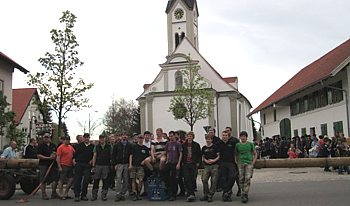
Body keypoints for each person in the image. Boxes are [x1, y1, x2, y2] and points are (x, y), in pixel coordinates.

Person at [216, 130, 238, 202]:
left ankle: (226, 191)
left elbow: (237, 152)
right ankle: (227, 194)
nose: (224, 137)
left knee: (232, 176)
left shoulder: (233, 143)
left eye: (226, 135)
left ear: (228, 136)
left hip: (231, 163)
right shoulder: (218, 144)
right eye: (223, 135)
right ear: (221, 136)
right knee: (223, 179)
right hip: (222, 163)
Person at [235, 131, 257, 203]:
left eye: (244, 136)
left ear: (246, 137)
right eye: (242, 136)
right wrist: (237, 162)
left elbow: (255, 154)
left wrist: (253, 162)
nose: (243, 138)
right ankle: (243, 191)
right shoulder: (237, 145)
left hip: (249, 163)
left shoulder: (250, 144)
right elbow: (236, 154)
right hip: (240, 163)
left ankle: (245, 194)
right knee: (241, 179)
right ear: (240, 137)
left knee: (247, 178)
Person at [73, 133, 94, 202]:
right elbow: (74, 155)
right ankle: (77, 195)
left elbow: (93, 155)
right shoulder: (79, 146)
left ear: (89, 138)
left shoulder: (92, 146)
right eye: (85, 137)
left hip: (87, 165)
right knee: (77, 180)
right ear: (84, 138)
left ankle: (84, 195)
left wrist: (92, 161)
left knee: (86, 180)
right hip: (79, 164)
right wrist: (74, 161)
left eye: (87, 137)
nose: (86, 138)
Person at [37, 133, 59, 200]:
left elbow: (56, 153)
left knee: (55, 179)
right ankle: (44, 194)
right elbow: (38, 156)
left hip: (53, 164)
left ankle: (54, 193)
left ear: (50, 138)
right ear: (43, 138)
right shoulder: (41, 146)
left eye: (48, 137)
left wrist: (54, 155)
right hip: (44, 164)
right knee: (43, 179)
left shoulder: (53, 145)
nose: (46, 138)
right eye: (45, 137)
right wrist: (48, 158)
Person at [129, 134, 151, 201]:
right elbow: (131, 156)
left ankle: (138, 193)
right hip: (133, 165)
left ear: (143, 139)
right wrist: (130, 165)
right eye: (139, 138)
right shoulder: (133, 146)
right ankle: (135, 194)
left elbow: (148, 157)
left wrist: (144, 161)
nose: (140, 139)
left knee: (140, 180)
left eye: (142, 138)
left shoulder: (145, 148)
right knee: (133, 180)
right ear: (137, 139)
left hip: (141, 166)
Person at [112, 132, 132, 202]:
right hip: (119, 164)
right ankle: (118, 194)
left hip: (126, 164)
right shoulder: (116, 145)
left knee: (126, 180)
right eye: (123, 135)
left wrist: (130, 164)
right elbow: (113, 155)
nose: (124, 136)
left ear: (127, 136)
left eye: (125, 135)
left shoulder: (130, 145)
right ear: (121, 137)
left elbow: (131, 155)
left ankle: (123, 194)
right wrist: (115, 164)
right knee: (118, 180)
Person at [182, 131, 201, 202]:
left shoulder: (196, 145)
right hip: (186, 164)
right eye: (188, 136)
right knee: (187, 178)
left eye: (191, 136)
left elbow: (199, 154)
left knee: (193, 178)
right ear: (186, 137)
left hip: (193, 163)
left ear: (193, 137)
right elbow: (181, 154)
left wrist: (198, 162)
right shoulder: (183, 145)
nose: (189, 137)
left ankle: (191, 193)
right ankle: (190, 193)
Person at [91, 134, 111, 201]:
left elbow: (111, 155)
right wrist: (93, 166)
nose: (102, 140)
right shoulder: (96, 147)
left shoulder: (109, 146)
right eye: (100, 138)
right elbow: (94, 156)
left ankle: (104, 194)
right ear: (99, 139)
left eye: (103, 138)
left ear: (105, 139)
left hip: (106, 165)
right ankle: (94, 195)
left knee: (105, 180)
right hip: (98, 165)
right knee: (96, 180)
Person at [200, 134, 220, 202]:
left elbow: (218, 156)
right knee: (204, 179)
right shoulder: (203, 148)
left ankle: (210, 195)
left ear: (211, 140)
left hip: (214, 165)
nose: (208, 140)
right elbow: (203, 156)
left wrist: (213, 160)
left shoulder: (215, 147)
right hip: (207, 166)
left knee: (214, 181)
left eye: (209, 139)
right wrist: (205, 160)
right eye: (207, 139)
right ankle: (206, 194)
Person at [163, 130, 182, 201]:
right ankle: (169, 192)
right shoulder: (168, 144)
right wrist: (167, 160)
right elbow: (167, 152)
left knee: (174, 179)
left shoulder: (178, 144)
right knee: (165, 176)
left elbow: (180, 154)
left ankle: (173, 195)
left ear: (174, 136)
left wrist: (178, 163)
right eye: (169, 136)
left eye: (172, 136)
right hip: (169, 163)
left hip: (175, 163)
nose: (171, 137)